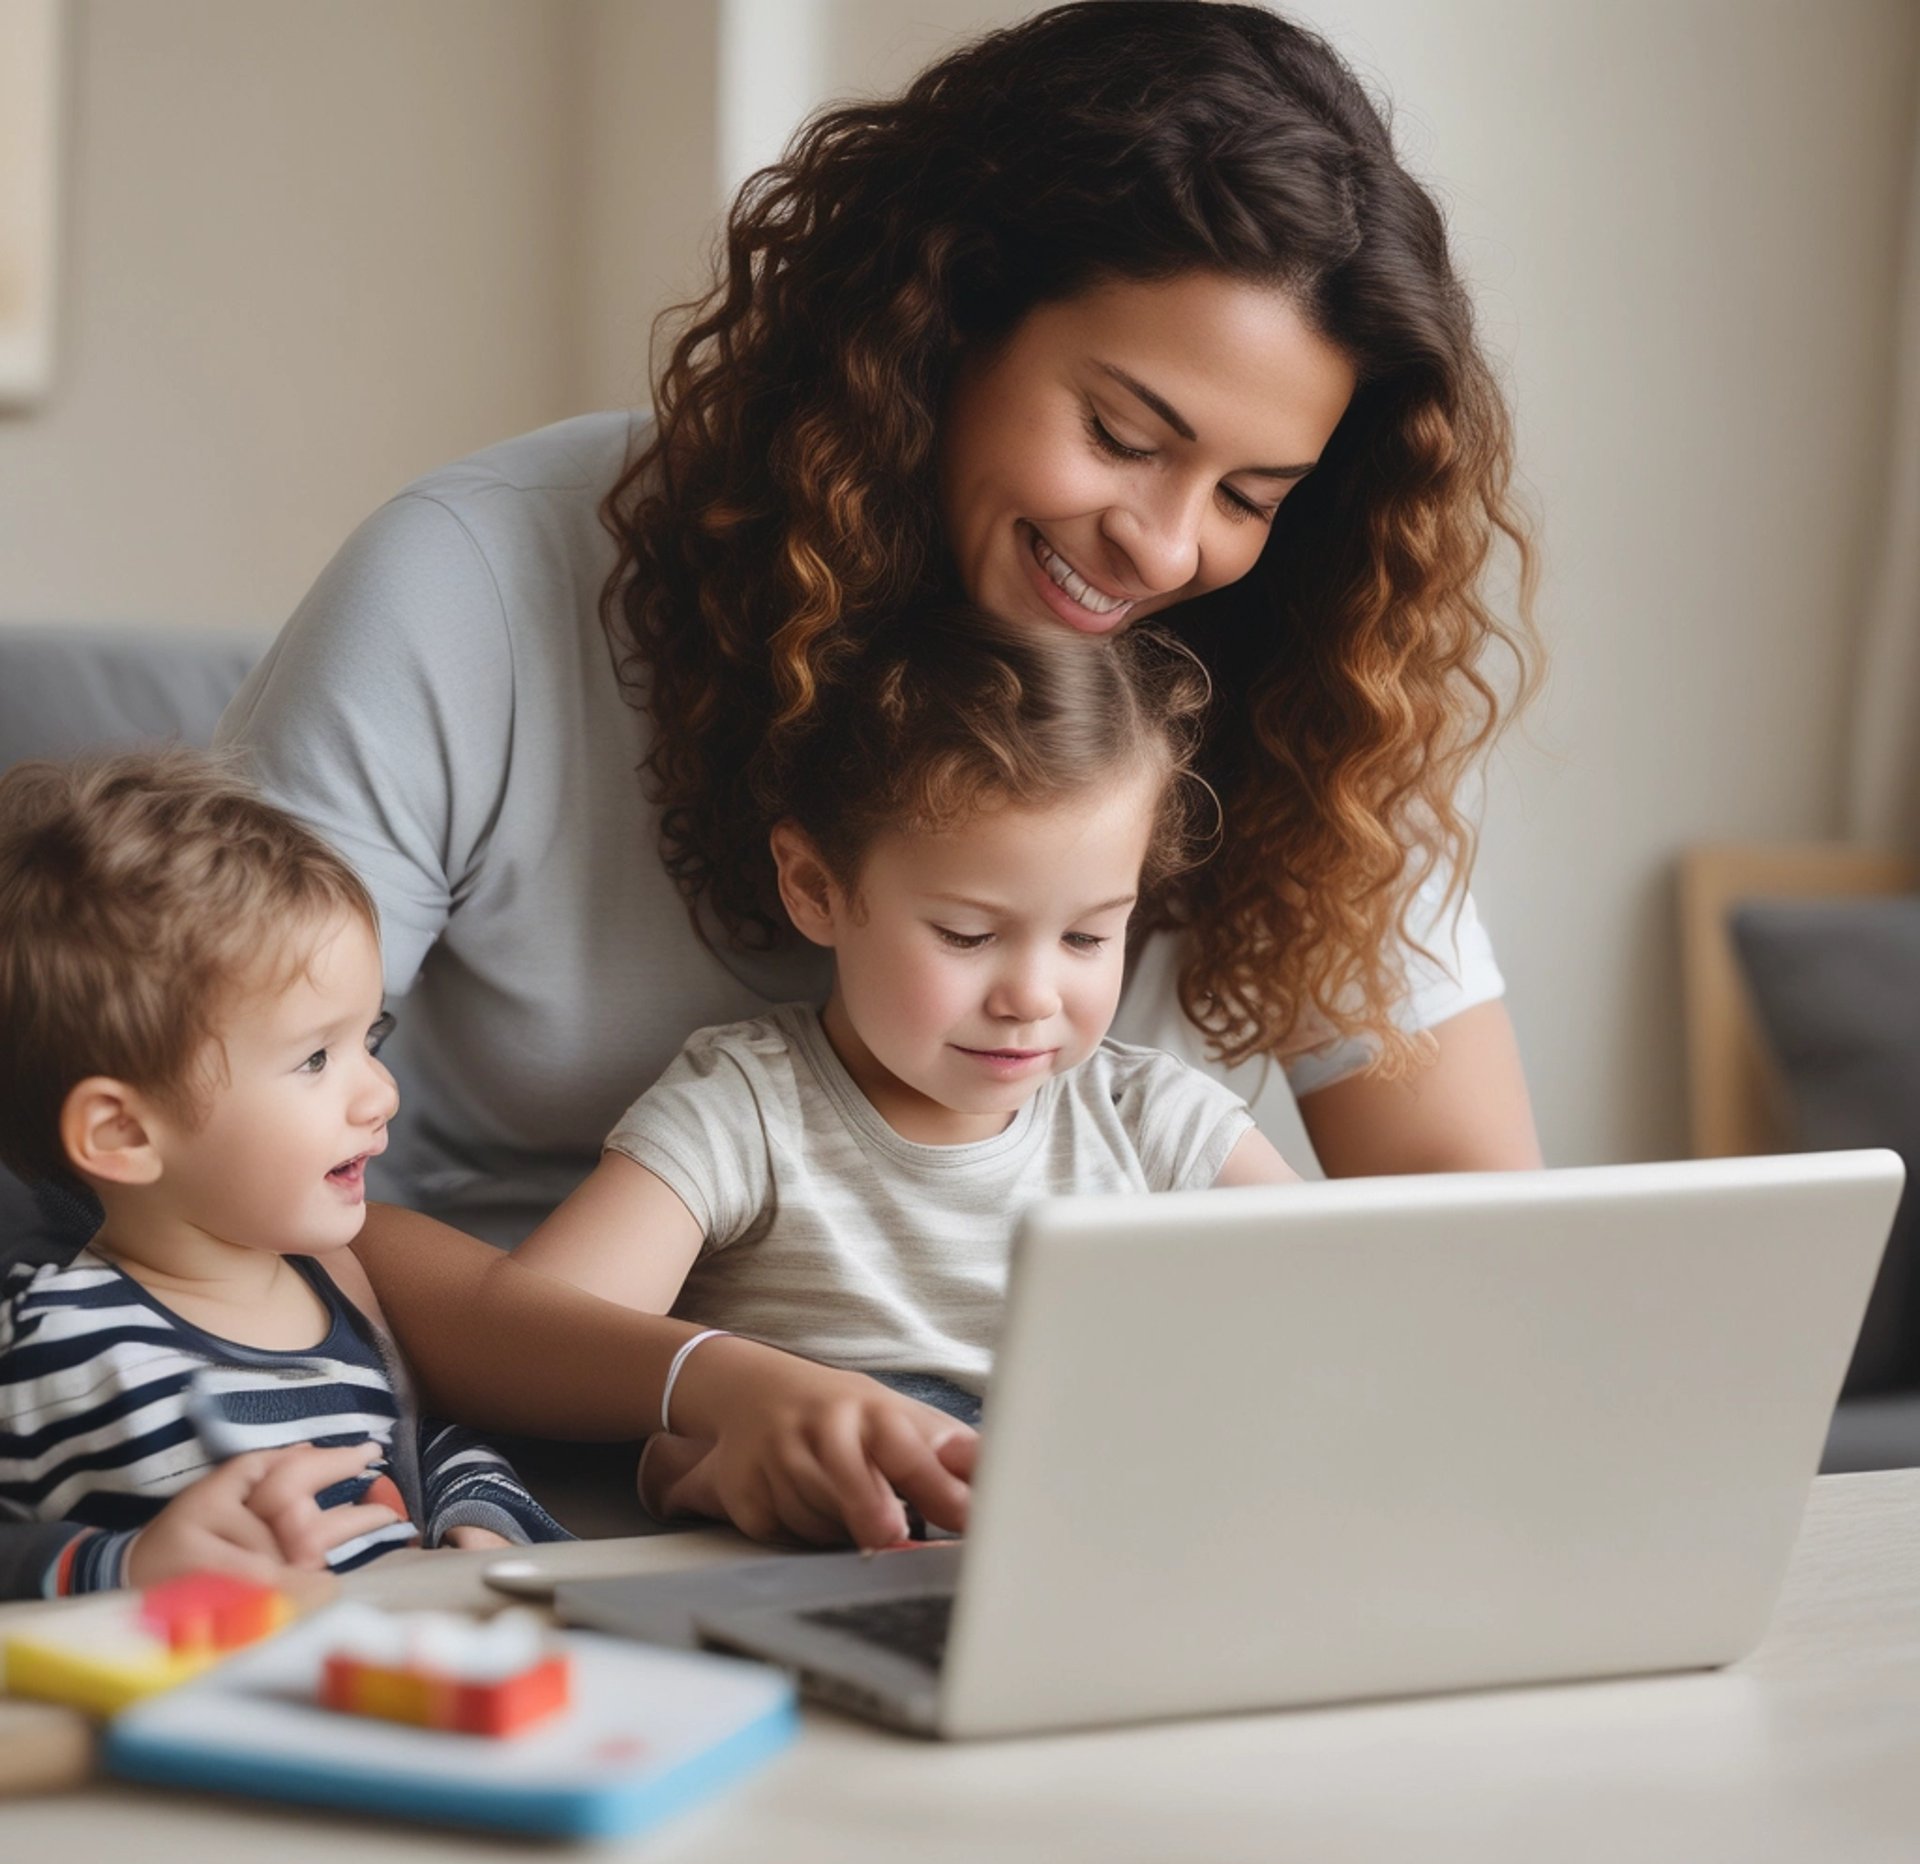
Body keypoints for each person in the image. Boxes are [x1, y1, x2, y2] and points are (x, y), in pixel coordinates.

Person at [198, 1, 1543, 1544]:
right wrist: (706, 1383)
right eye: (1119, 433)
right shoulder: (478, 584)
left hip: (1062, 1505)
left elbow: (1457, 1222)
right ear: (936, 326)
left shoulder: (1292, 672)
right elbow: (202, 1144)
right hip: (516, 1473)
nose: (1168, 547)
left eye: (1249, 492)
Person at [505, 610, 1300, 1523]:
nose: (1033, 995)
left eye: (1088, 935)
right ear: (815, 888)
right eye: (969, 934)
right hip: (827, 1556)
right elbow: (533, 1343)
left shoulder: (1150, 1118)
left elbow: (1358, 1310)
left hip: (1086, 1551)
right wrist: (692, 1436)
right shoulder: (749, 1111)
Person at [0, 753, 569, 1596]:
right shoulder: (50, 1343)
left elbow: (423, 1445)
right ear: (122, 1133)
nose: (381, 1093)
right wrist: (128, 1567)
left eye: (368, 1042)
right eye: (314, 1058)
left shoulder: (338, 1301)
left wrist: (475, 1515)